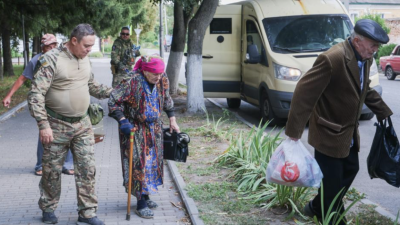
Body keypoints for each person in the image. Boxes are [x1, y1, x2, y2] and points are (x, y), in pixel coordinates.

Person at [285, 19, 393, 225]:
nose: (375, 50)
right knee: (332, 183)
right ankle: (333, 219)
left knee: (351, 170)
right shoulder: (332, 58)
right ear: (358, 41)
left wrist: (383, 111)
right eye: (373, 45)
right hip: (327, 131)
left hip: (347, 132)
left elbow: (363, 88)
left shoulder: (365, 57)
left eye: (377, 46)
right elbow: (303, 92)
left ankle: (316, 206)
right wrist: (294, 132)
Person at [28, 24, 112, 225]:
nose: (89, 50)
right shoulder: (52, 59)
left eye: (91, 46)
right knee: (51, 170)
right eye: (86, 45)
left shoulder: (85, 59)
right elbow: (35, 94)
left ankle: (87, 213)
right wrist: (43, 124)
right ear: (74, 40)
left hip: (82, 124)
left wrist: (116, 92)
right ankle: (48, 208)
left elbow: (91, 85)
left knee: (87, 169)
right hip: (56, 125)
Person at [108, 55, 180, 219]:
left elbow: (167, 98)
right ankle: (140, 203)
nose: (158, 77)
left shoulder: (162, 78)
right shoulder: (131, 80)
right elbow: (113, 101)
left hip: (154, 128)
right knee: (138, 164)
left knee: (152, 163)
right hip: (135, 129)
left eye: (160, 73)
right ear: (145, 70)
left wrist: (172, 119)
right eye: (154, 73)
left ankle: (146, 196)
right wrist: (122, 121)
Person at [1, 34, 75, 177]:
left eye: (54, 44)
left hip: (62, 101)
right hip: (44, 103)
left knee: (69, 131)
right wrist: (9, 95)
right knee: (44, 132)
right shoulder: (37, 60)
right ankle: (40, 165)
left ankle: (67, 164)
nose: (52, 47)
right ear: (43, 47)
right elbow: (22, 78)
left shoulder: (62, 58)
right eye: (49, 45)